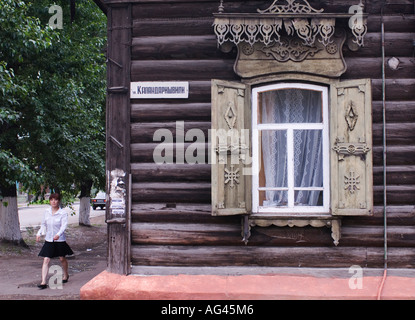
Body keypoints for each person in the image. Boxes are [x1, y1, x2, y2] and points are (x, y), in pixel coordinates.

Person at [36, 193, 73, 289]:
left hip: (59, 240)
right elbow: (43, 224)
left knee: (62, 258)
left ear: (58, 201)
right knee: (46, 259)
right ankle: (43, 282)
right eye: (51, 199)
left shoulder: (63, 213)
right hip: (49, 239)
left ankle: (66, 275)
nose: (53, 201)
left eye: (55, 200)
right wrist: (39, 233)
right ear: (49, 201)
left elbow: (64, 225)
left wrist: (58, 234)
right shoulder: (46, 211)